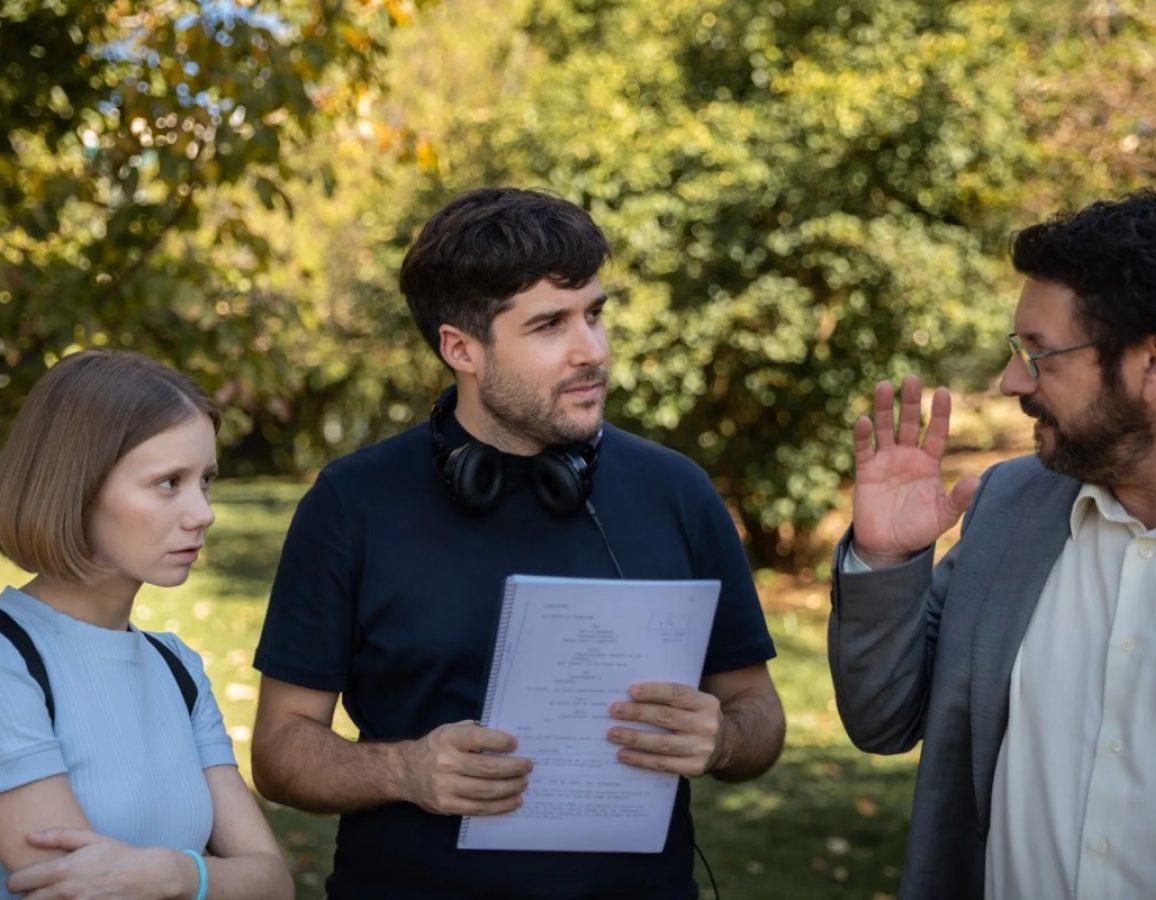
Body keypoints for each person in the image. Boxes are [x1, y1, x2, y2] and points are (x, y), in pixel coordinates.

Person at [250, 187, 786, 898]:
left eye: (594, 314)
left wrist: (722, 739)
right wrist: (404, 771)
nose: (591, 351)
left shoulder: (678, 492)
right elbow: (281, 748)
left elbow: (760, 715)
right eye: (549, 326)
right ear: (461, 348)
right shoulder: (351, 504)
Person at [829, 189, 1156, 899]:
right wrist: (884, 558)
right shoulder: (1008, 508)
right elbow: (883, 720)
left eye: (1040, 355)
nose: (1009, 383)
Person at [0, 351, 293, 900]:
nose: (202, 512)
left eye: (204, 479)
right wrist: (212, 877)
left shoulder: (175, 666)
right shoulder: (8, 662)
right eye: (167, 482)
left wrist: (177, 875)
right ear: (77, 488)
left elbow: (273, 882)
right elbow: (71, 889)